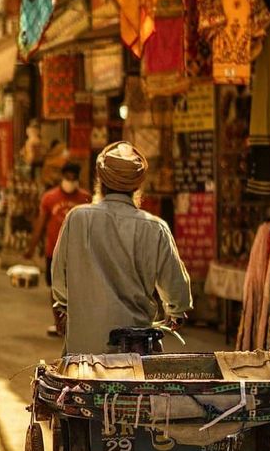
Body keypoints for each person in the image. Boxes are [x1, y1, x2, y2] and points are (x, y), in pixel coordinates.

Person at [51, 141, 192, 355]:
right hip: (134, 350)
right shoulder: (155, 227)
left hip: (83, 353)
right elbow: (176, 290)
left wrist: (63, 304)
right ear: (137, 186)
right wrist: (176, 311)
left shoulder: (77, 219)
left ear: (100, 181)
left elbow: (59, 282)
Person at [25, 161, 91, 336]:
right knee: (55, 289)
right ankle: (59, 324)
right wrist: (31, 246)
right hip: (53, 252)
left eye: (73, 177)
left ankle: (77, 324)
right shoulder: (49, 197)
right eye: (67, 177)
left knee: (77, 289)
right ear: (62, 177)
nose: (70, 180)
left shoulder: (86, 198)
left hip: (79, 253)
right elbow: (41, 223)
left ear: (78, 178)